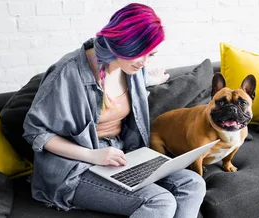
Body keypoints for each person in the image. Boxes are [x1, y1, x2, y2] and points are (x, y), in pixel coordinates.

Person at [22, 3, 206, 218]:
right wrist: (92, 155)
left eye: (151, 55)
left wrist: (154, 78)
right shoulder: (67, 73)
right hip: (75, 167)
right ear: (122, 44)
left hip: (121, 155)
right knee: (159, 202)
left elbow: (131, 79)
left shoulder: (132, 68)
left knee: (193, 183)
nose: (144, 63)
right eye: (141, 54)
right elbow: (35, 132)